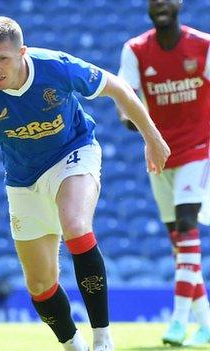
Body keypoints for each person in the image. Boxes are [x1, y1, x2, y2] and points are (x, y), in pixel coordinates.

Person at [0, 16, 170, 351]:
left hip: (74, 151)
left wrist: (152, 137)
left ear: (23, 52)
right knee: (39, 283)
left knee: (75, 223)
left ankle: (103, 339)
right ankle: (72, 345)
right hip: (22, 178)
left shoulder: (56, 67)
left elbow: (117, 87)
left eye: (3, 58)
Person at [117, 0, 210, 346]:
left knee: (187, 225)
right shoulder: (136, 50)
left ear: (179, 3)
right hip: (160, 153)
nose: (161, 4)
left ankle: (177, 322)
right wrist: (130, 119)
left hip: (200, 150)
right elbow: (125, 100)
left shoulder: (203, 45)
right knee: (180, 243)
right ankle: (206, 324)